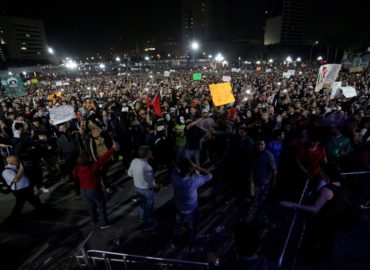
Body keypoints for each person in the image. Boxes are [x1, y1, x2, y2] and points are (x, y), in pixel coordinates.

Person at [280, 162, 343, 265]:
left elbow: (315, 209)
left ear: (327, 173)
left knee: (315, 242)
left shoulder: (327, 190)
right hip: (332, 221)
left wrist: (293, 204)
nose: (320, 172)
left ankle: (312, 260)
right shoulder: (338, 185)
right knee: (327, 242)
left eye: (322, 171)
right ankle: (325, 259)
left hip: (322, 222)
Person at [73, 143, 118, 229]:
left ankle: (94, 220)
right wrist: (112, 149)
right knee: (101, 205)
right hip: (93, 189)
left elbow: (75, 176)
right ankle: (104, 223)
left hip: (83, 190)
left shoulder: (77, 168)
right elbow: (103, 159)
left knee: (91, 205)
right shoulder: (92, 167)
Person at [171, 158, 213, 249]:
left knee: (177, 224)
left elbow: (176, 169)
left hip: (179, 206)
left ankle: (175, 241)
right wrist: (198, 167)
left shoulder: (174, 177)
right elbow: (210, 175)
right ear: (190, 169)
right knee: (192, 228)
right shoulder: (194, 181)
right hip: (191, 208)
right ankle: (192, 245)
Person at [207, 222, 278, 269]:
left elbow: (216, 265)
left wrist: (211, 252)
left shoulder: (230, 266)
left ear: (236, 247)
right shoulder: (270, 265)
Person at [2, 155, 43, 223]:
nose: (19, 161)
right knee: (20, 205)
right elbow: (15, 180)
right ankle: (10, 221)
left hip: (27, 188)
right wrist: (21, 168)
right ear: (11, 162)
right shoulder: (6, 171)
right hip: (20, 191)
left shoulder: (17, 167)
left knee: (34, 201)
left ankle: (42, 210)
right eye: (17, 160)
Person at [128, 145, 159, 231]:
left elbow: (129, 174)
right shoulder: (147, 167)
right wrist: (158, 185)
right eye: (150, 151)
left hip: (137, 188)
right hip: (146, 190)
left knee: (142, 204)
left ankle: (142, 217)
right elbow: (151, 183)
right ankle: (148, 224)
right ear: (147, 154)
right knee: (149, 207)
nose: (151, 152)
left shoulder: (134, 161)